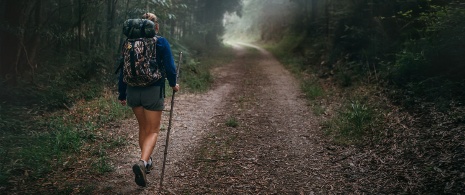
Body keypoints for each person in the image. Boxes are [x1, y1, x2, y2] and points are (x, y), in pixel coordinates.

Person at [118, 12, 180, 187]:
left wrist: (122, 94)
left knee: (143, 127)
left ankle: (148, 161)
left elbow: (123, 70)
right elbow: (169, 66)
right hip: (152, 90)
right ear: (155, 26)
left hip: (132, 91)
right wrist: (174, 83)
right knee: (153, 130)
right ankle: (143, 162)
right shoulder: (160, 41)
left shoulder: (128, 43)